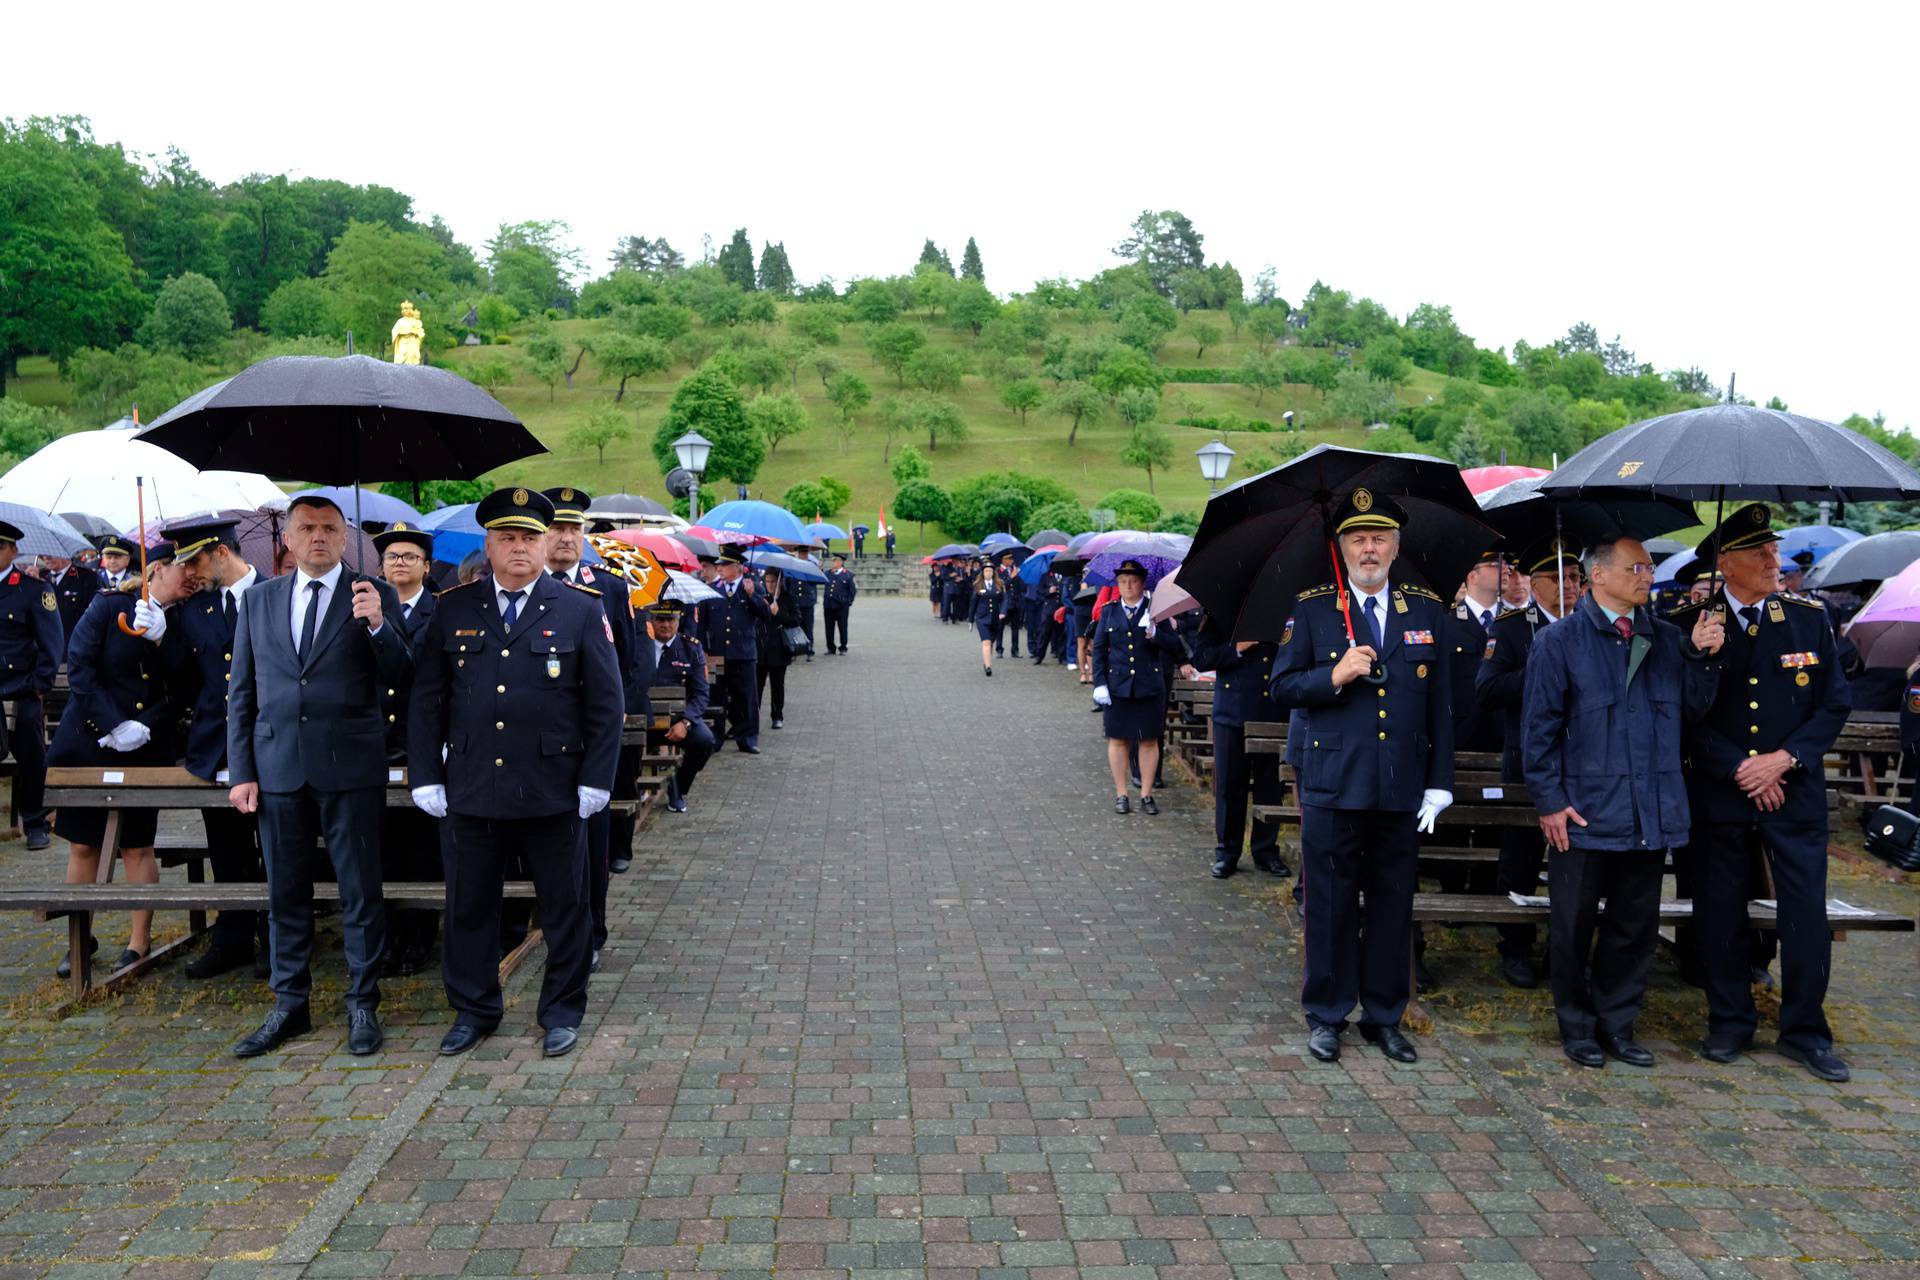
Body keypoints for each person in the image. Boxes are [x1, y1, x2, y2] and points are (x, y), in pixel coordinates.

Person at [408, 486, 622, 1059]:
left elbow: (605, 704)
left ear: (546, 541)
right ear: (489, 544)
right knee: (470, 907)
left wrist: (596, 780)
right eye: (507, 538)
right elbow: (428, 698)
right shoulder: (454, 607)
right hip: (473, 788)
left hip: (554, 789)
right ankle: (475, 1009)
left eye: (529, 537)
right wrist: (426, 774)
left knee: (565, 907)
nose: (520, 548)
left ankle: (561, 1011)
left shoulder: (580, 607)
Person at [1523, 535, 1725, 1069]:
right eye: (1636, 566)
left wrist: (1702, 657)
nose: (1647, 574)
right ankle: (1578, 1027)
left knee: (1635, 927)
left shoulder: (1665, 637)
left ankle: (1618, 1023)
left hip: (1648, 808)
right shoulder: (1560, 641)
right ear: (1598, 576)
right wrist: (1549, 802)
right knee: (1572, 925)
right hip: (1584, 811)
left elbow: (1693, 714)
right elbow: (1538, 731)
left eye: (1650, 565)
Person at [1667, 504, 1854, 1081]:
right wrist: (1741, 768)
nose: (1775, 560)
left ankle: (1804, 1030)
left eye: (1773, 549)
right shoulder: (1690, 624)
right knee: (1718, 912)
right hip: (1721, 792)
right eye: (1760, 552)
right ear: (1725, 563)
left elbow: (1833, 702)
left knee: (1803, 913)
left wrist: (1782, 761)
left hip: (1792, 790)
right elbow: (1684, 715)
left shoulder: (1807, 617)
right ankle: (1729, 1020)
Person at [1270, 489, 1454, 1065]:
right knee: (1330, 903)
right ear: (1341, 548)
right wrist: (1335, 673)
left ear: (1396, 548)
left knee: (1393, 904)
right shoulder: (1314, 608)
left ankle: (1383, 1015)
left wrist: (1439, 781)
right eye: (1357, 539)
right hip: (1331, 782)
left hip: (1400, 786)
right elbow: (1281, 686)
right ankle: (1327, 1015)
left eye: (1379, 539)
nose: (1368, 549)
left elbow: (1441, 705)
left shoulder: (1425, 610)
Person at [225, 493, 412, 1060]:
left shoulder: (370, 594)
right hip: (278, 764)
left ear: (345, 535)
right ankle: (289, 1004)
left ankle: (363, 1001)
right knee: (286, 892)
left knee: (359, 889)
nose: (318, 538)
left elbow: (404, 674)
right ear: (288, 537)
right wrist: (242, 771)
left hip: (349, 763)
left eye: (330, 528)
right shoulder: (259, 600)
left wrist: (378, 627)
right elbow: (242, 692)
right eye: (307, 528)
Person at [48, 539, 201, 976]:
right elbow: (79, 666)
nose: (191, 576)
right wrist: (113, 724)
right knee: (84, 844)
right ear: (156, 571)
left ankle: (138, 942)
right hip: (90, 739)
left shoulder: (188, 616)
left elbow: (188, 684)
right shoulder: (108, 605)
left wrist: (146, 723)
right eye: (182, 569)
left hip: (146, 744)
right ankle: (79, 936)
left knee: (137, 845)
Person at [1475, 536, 1586, 988]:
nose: (1570, 586)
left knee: (1578, 864)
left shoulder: (1590, 626)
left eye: (1576, 577)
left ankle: (1571, 949)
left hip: (1581, 764)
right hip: (1526, 764)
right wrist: (1540, 668)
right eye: (1559, 577)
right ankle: (1515, 946)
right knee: (1519, 860)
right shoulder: (1514, 627)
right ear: (1535, 583)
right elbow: (1487, 689)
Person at [163, 519, 270, 980]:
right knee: (226, 849)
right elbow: (182, 679)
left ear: (222, 553)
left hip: (270, 743)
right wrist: (157, 628)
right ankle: (232, 937)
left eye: (196, 560)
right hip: (217, 747)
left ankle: (275, 939)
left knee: (275, 847)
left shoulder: (277, 594)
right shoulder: (194, 610)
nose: (190, 572)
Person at [374, 520, 442, 976]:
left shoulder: (442, 612)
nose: (400, 563)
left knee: (420, 848)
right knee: (378, 848)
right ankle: (385, 939)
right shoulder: (364, 607)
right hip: (375, 744)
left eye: (410, 557)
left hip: (421, 742)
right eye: (393, 557)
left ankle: (418, 939)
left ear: (426, 566)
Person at [1188, 614, 1288, 880]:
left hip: (1273, 710)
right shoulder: (1223, 614)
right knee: (1231, 787)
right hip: (1233, 714)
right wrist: (1237, 649)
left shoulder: (1284, 613)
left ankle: (1265, 851)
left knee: (1270, 788)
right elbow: (1201, 658)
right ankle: (1227, 852)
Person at [1091, 560, 1181, 813]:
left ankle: (1146, 794)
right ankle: (1121, 794)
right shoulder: (1109, 612)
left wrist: (1156, 634)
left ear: (1143, 584)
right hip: (1117, 686)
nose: (1127, 586)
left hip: (1148, 686)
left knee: (1148, 741)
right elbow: (1099, 651)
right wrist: (1099, 683)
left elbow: (1175, 646)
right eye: (1122, 581)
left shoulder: (1156, 611)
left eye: (1133, 581)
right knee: (1118, 740)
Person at [0, 521, 64, 852]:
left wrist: (39, 685)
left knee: (30, 755)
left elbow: (51, 642)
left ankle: (35, 822)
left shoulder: (30, 589)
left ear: (13, 551)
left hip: (20, 688)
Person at [646, 600, 715, 813]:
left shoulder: (690, 647)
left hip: (676, 720)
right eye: (660, 619)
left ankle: (679, 787)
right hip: (643, 720)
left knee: (705, 742)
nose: (666, 625)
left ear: (678, 621)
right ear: (651, 620)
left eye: (671, 620)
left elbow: (701, 694)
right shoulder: (640, 646)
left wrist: (686, 722)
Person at [701, 549, 771, 753]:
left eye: (724, 565)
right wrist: (703, 650)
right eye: (719, 565)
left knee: (746, 698)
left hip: (743, 654)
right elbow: (701, 624)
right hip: (716, 654)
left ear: (737, 567)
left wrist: (752, 596)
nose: (719, 568)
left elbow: (766, 615)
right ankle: (715, 737)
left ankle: (747, 738)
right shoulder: (711, 589)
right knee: (716, 697)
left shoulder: (753, 588)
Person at [755, 565, 796, 728]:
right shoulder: (760, 597)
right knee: (757, 685)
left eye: (773, 581)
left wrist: (778, 614)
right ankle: (754, 716)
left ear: (780, 582)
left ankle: (777, 715)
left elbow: (796, 620)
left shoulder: (788, 598)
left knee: (777, 685)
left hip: (779, 648)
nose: (770, 585)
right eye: (767, 581)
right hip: (760, 648)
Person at [44, 553, 100, 652]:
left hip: (74, 648)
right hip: (45, 650)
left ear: (65, 553)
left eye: (50, 553)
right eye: (43, 554)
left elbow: (93, 617)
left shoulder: (86, 577)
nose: (46, 557)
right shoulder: (39, 578)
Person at [823, 554, 856, 654]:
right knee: (829, 628)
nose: (834, 563)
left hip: (841, 607)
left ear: (841, 562)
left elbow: (852, 591)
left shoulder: (848, 575)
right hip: (829, 605)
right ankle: (830, 648)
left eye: (836, 561)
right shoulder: (827, 573)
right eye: (833, 561)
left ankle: (843, 647)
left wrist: (848, 603)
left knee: (842, 627)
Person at [790, 546, 819, 660]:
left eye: (805, 553)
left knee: (808, 627)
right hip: (795, 601)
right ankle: (795, 650)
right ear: (798, 553)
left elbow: (816, 581)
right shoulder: (792, 565)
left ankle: (809, 650)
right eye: (801, 553)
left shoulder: (812, 565)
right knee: (794, 627)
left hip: (807, 601)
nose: (803, 555)